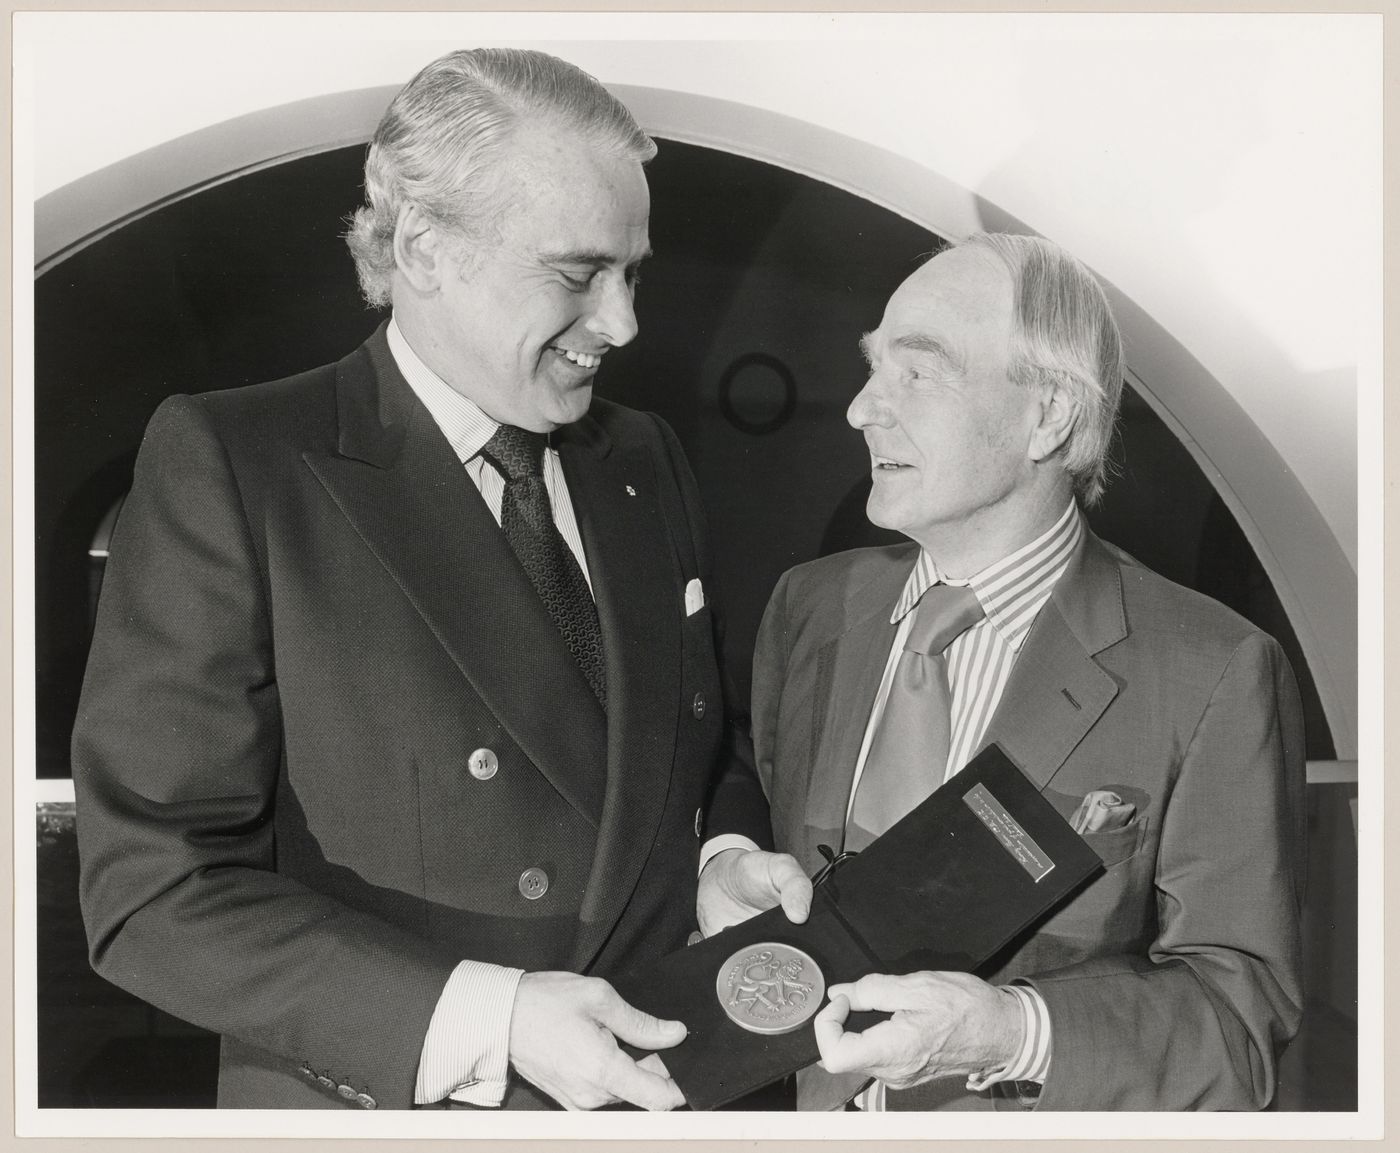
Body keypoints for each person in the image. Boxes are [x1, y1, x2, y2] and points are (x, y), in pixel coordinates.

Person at [72, 48, 770, 1112]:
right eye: (579, 273)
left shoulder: (643, 459)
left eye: (633, 273)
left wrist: (718, 853)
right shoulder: (237, 460)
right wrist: (491, 1015)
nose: (622, 322)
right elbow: (153, 893)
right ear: (426, 248)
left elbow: (695, 743)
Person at [706, 232, 1307, 1110]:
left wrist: (1011, 1031)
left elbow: (1238, 1022)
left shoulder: (1213, 670)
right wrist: (725, 858)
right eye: (874, 369)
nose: (863, 409)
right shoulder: (811, 605)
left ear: (1051, 415)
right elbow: (750, 786)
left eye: (919, 372)